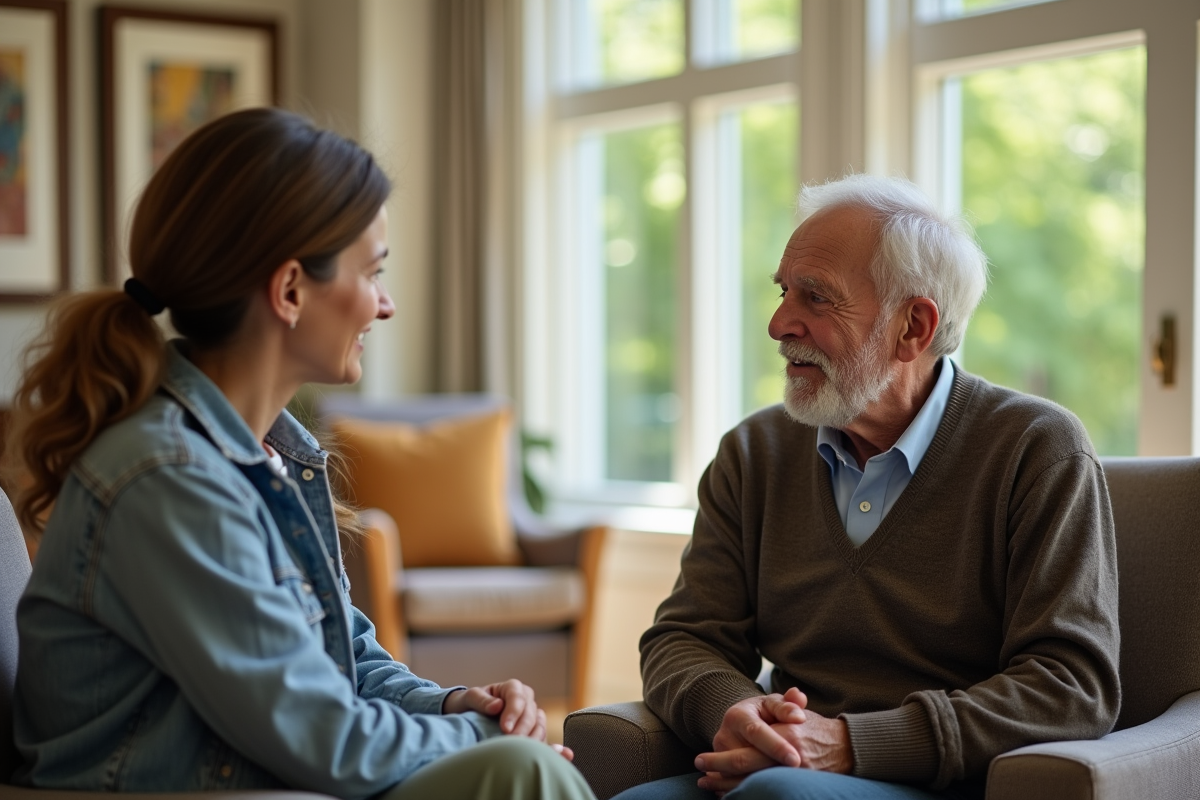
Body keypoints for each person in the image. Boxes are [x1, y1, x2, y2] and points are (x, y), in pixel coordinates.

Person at [6, 108, 595, 800]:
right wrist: (491, 741)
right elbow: (326, 736)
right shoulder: (169, 480)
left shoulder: (274, 457)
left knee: (522, 764)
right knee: (522, 770)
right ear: (289, 290)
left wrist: (456, 705)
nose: (386, 304)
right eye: (373, 273)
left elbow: (345, 665)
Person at [617, 175, 1120, 800]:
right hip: (783, 769)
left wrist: (854, 744)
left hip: (936, 780)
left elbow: (1070, 685)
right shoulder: (754, 453)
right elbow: (684, 637)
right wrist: (739, 714)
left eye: (816, 298)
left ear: (913, 326)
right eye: (782, 292)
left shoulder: (1036, 449)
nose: (778, 324)